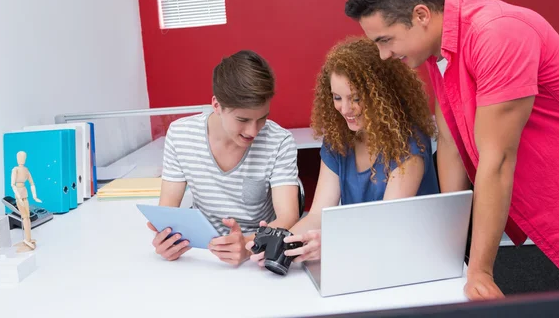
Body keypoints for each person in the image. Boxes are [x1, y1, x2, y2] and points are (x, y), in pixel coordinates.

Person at [344, 0, 559, 299]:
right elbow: (453, 141)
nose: (383, 55)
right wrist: (450, 248)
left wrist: (480, 272)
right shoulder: (438, 49)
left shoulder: (497, 35)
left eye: (385, 40)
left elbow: (497, 160)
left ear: (421, 15)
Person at [247, 37, 439, 264]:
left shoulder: (408, 143)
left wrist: (330, 244)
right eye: (337, 98)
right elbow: (318, 214)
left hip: (410, 255)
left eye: (356, 98)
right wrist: (282, 242)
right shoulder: (338, 141)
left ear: (383, 95)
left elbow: (387, 224)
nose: (345, 109)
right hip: (360, 254)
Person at [147, 50, 300, 266]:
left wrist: (247, 245)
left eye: (262, 118)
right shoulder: (180, 134)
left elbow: (288, 216)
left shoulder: (280, 141)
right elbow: (168, 210)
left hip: (255, 254)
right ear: (217, 105)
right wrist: (167, 241)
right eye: (243, 119)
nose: (253, 131)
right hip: (199, 255)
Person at [10, 151, 42, 252]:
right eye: (20, 156)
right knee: (24, 217)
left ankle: (28, 239)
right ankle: (27, 240)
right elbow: (13, 184)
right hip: (19, 194)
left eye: (23, 157)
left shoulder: (26, 170)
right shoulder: (15, 170)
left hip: (25, 193)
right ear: (17, 158)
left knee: (27, 217)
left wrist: (35, 196)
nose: (22, 158)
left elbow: (32, 183)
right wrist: (18, 197)